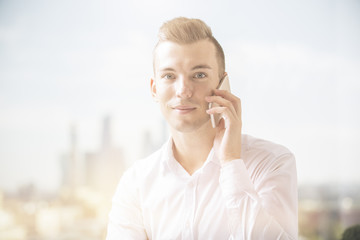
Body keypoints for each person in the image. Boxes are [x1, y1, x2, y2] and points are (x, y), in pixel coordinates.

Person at [106, 17, 298, 240]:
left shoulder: (271, 163)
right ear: (154, 89)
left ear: (222, 84)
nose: (183, 90)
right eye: (169, 76)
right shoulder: (136, 184)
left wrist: (231, 163)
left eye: (199, 75)